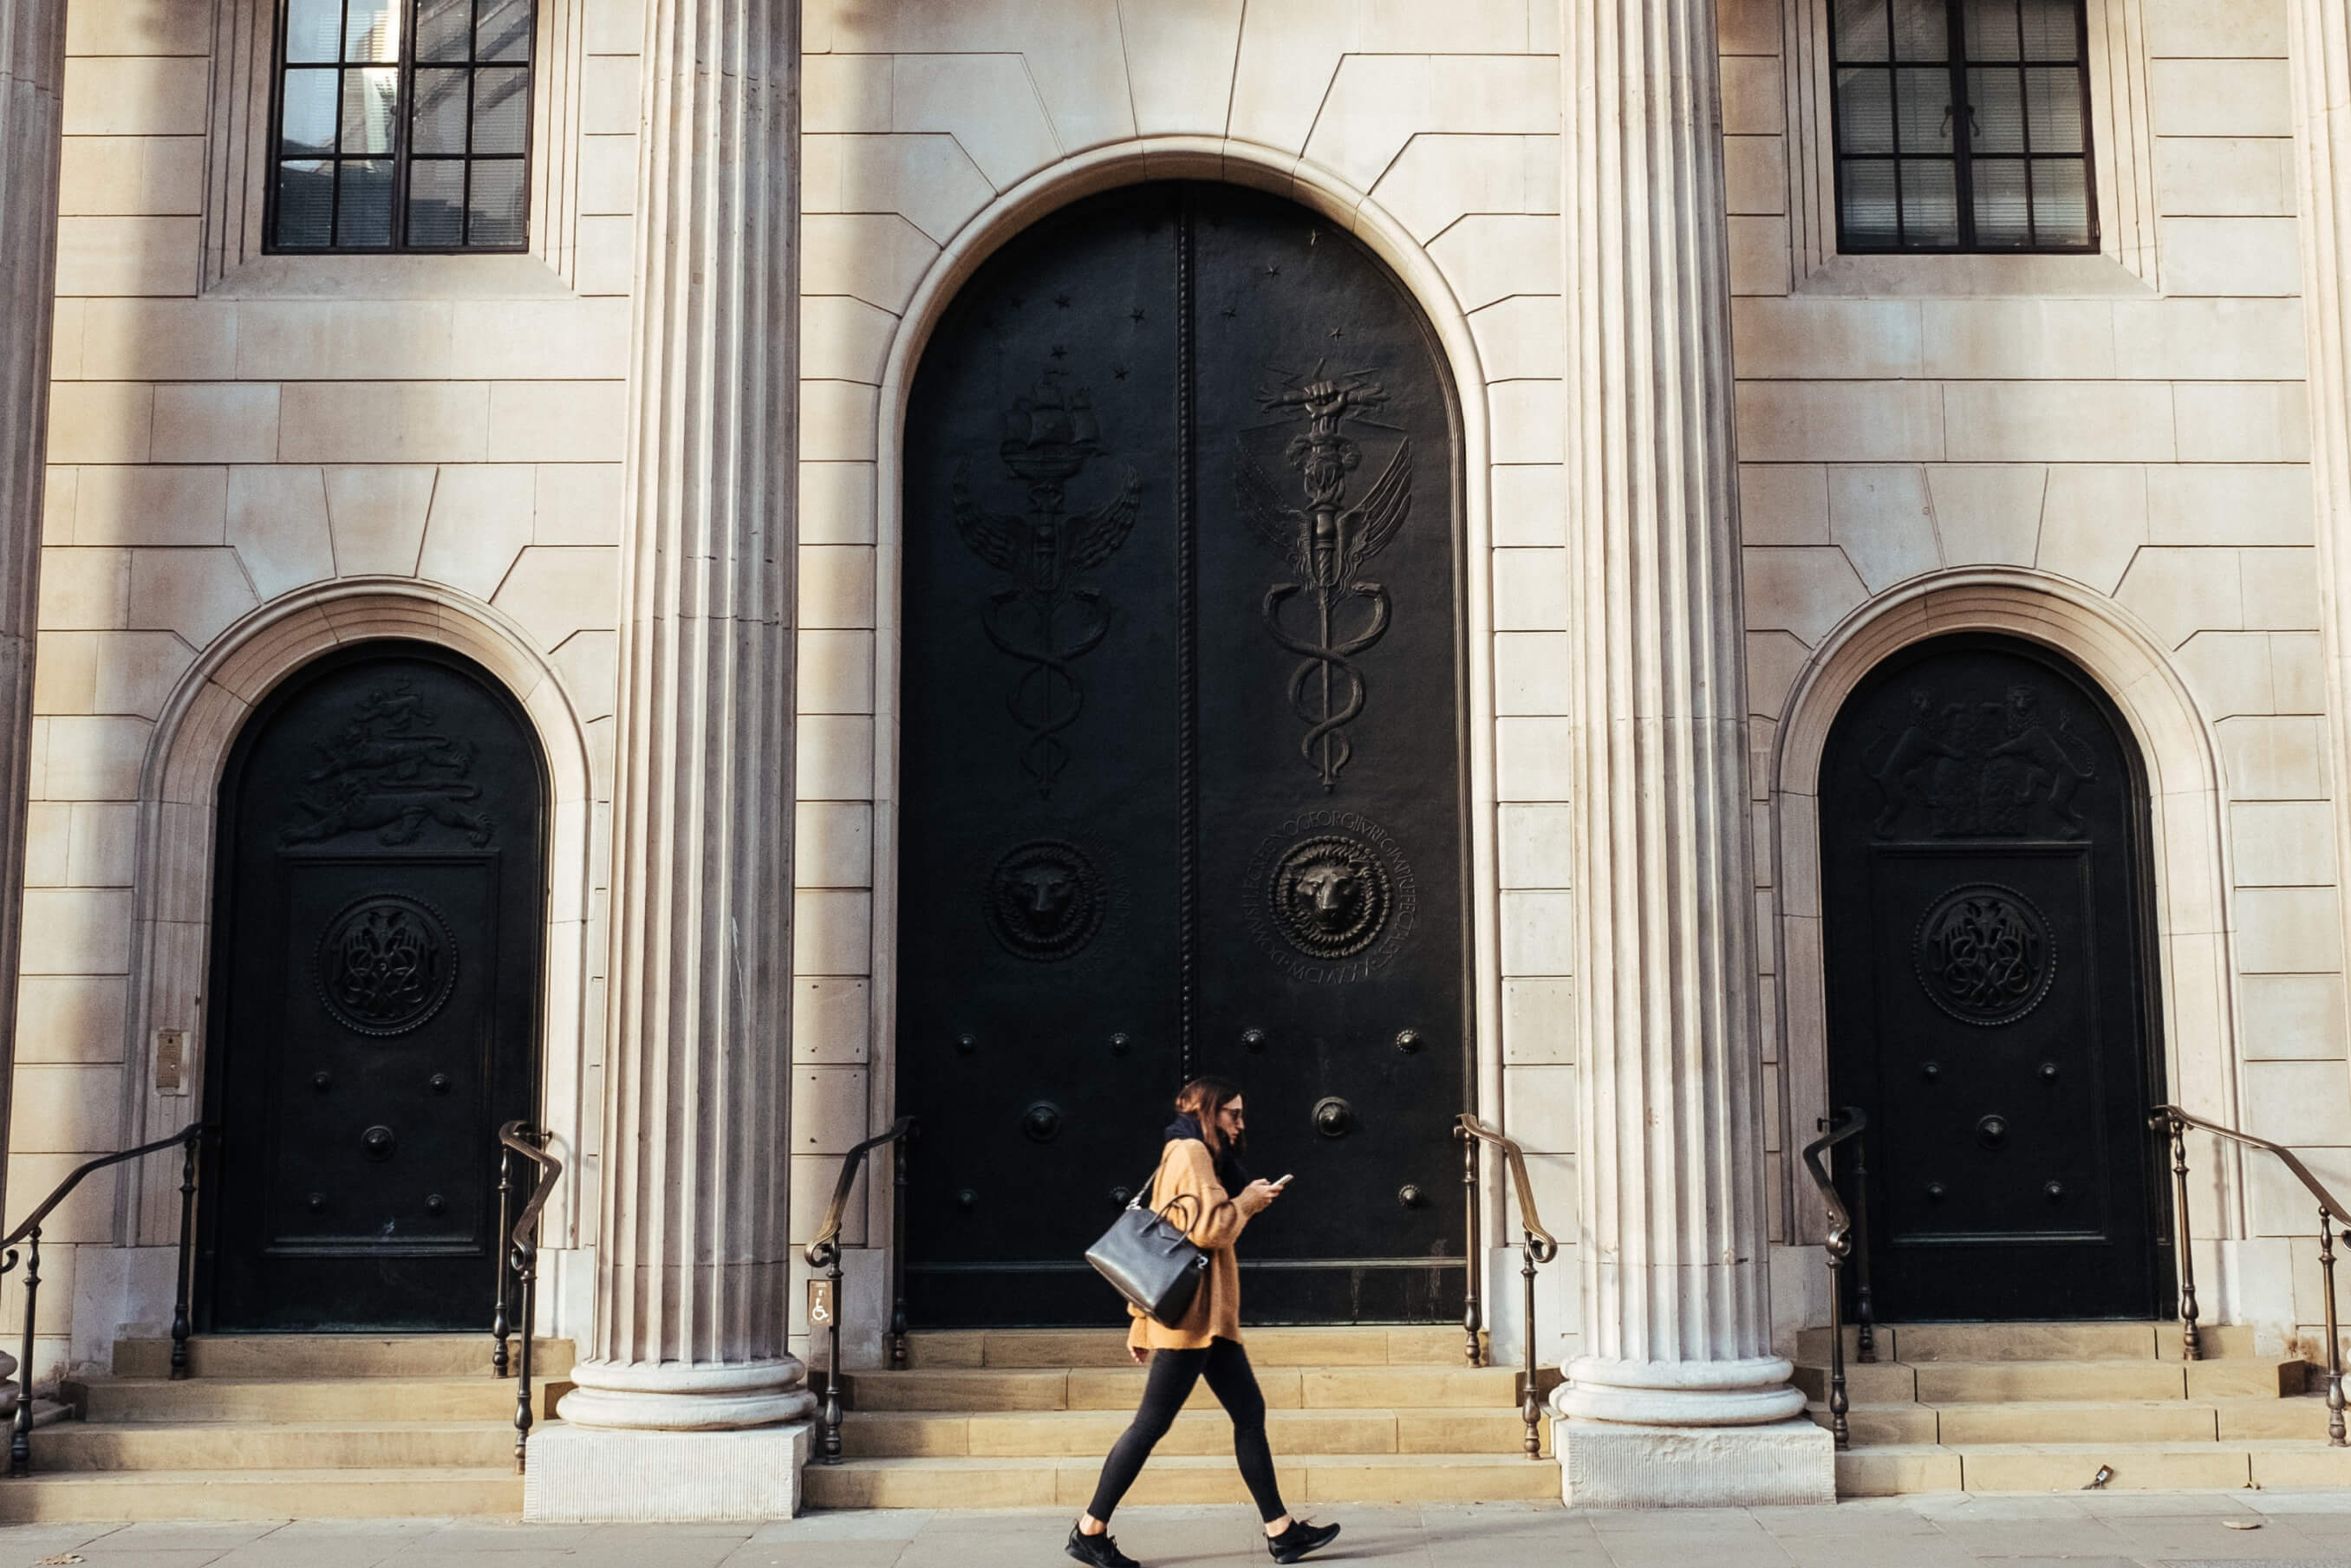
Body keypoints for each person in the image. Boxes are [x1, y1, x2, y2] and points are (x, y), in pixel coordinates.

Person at [1068, 1077, 1343, 1568]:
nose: (1240, 1125)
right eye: (1232, 1114)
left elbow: (1154, 1241)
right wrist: (1248, 1203)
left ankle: (1281, 1531)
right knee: (1150, 1426)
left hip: (1205, 1322)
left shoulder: (1186, 1153)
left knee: (1248, 1413)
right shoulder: (1191, 1153)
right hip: (1191, 1322)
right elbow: (1210, 1229)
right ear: (1208, 1112)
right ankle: (1090, 1529)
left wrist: (1138, 1321)